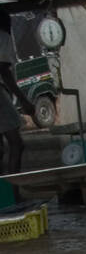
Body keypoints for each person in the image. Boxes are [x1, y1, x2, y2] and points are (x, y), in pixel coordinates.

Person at [0, 10, 35, 186]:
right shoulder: (3, 35)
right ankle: (13, 191)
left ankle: (4, 196)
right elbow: (3, 70)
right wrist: (23, 100)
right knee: (16, 143)